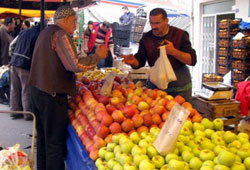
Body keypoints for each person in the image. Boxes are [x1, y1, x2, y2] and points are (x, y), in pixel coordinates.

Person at [28, 5, 108, 170]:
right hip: (52, 95)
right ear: (65, 20)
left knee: (43, 139)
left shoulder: (45, 32)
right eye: (73, 21)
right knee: (54, 143)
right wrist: (97, 56)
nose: (75, 25)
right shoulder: (61, 35)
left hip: (37, 91)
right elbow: (75, 64)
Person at [121, 8, 197, 102]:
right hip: (156, 87)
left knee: (182, 113)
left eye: (157, 23)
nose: (154, 27)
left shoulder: (180, 35)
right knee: (155, 114)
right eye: (151, 23)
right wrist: (133, 62)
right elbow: (140, 60)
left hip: (179, 87)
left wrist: (174, 51)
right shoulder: (146, 38)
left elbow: (192, 60)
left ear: (166, 21)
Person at [9, 23, 41, 120]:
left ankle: (14, 112)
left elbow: (11, 45)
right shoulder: (37, 35)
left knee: (14, 89)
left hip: (14, 62)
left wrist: (13, 56)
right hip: (25, 65)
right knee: (26, 90)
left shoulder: (23, 32)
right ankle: (27, 114)